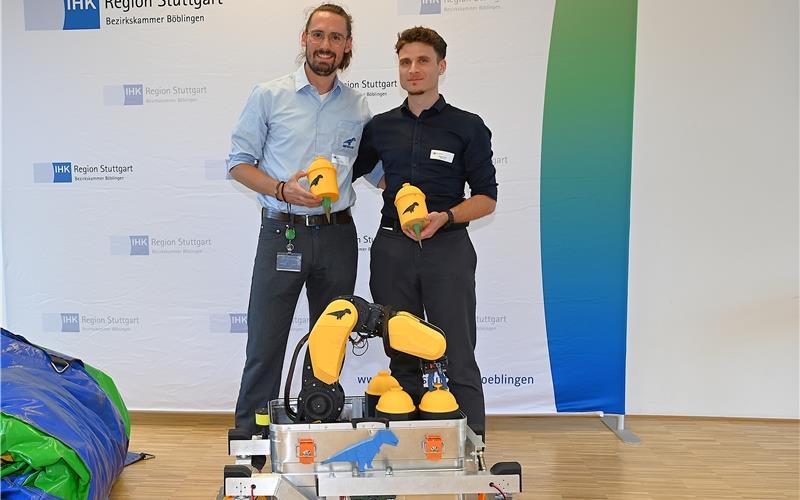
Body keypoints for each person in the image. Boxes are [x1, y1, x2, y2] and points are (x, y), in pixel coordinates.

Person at [227, 3, 370, 435]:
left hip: (338, 237)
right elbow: (238, 163)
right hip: (281, 233)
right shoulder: (269, 95)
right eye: (319, 35)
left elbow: (378, 171)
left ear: (347, 47)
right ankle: (250, 441)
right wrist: (281, 189)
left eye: (336, 37)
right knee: (266, 342)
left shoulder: (359, 107)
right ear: (304, 39)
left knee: (328, 343)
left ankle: (316, 429)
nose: (326, 45)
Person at [353, 27, 497, 438]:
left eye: (422, 61)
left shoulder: (467, 126)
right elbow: (359, 166)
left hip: (447, 248)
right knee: (400, 349)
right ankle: (407, 446)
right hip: (392, 249)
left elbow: (486, 198)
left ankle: (474, 449)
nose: (413, 69)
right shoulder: (380, 126)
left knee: (456, 352)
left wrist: (446, 217)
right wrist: (393, 190)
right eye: (405, 61)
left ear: (441, 66)